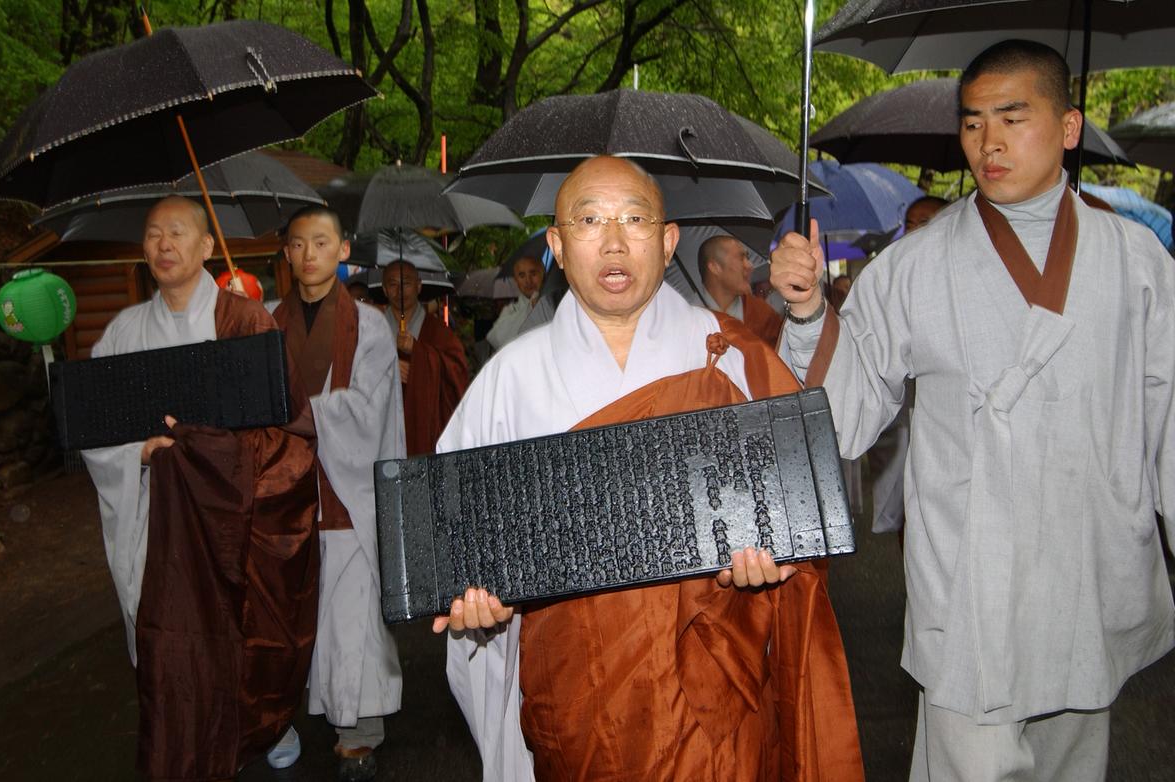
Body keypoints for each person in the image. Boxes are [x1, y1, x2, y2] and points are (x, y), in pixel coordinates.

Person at [770, 39, 1175, 781]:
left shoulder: (1137, 261)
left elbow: (1170, 421)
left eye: (1013, 118)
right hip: (971, 577)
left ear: (1068, 126)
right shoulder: (915, 266)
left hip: (1089, 566)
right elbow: (849, 413)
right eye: (973, 122)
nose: (988, 143)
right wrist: (806, 315)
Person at [434, 156, 864, 781]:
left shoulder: (725, 356)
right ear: (557, 244)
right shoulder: (509, 381)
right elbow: (455, 549)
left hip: (710, 695)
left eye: (634, 219)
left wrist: (769, 573)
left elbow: (802, 493)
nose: (613, 241)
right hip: (579, 703)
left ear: (667, 244)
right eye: (589, 220)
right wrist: (478, 612)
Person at [82, 195, 319, 779]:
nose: (164, 245)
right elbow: (89, 424)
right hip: (156, 523)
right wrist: (138, 452)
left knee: (249, 638)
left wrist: (212, 457)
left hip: (236, 523)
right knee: (172, 648)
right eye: (154, 234)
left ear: (206, 247)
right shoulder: (122, 332)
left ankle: (265, 727)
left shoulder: (246, 324)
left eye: (178, 232)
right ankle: (183, 745)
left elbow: (290, 432)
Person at [272, 206, 405, 778]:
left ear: (343, 250)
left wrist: (289, 411)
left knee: (350, 616)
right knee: (298, 615)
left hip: (347, 492)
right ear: (286, 253)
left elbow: (364, 411)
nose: (309, 254)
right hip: (286, 491)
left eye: (321, 242)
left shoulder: (369, 324)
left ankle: (359, 733)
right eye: (298, 244)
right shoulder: (266, 322)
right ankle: (290, 718)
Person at [868, 196, 949, 538]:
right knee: (909, 504)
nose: (915, 231)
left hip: (947, 416)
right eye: (911, 224)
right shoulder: (896, 274)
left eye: (924, 223)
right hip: (904, 409)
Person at [382, 260, 469, 455]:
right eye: (393, 284)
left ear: (419, 286)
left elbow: (458, 373)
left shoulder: (438, 331)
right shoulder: (371, 329)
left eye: (407, 283)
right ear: (385, 289)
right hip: (381, 426)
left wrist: (418, 351)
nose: (400, 290)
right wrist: (388, 370)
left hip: (423, 425)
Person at [697, 233, 784, 347]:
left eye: (747, 258)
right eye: (741, 258)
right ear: (715, 267)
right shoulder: (689, 316)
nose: (749, 265)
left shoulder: (762, 314)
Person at [485, 256, 546, 351]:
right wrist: (531, 307)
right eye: (522, 275)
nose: (528, 281)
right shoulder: (511, 310)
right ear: (516, 280)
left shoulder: (555, 301)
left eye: (533, 273)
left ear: (543, 274)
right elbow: (496, 339)